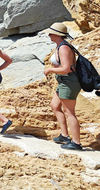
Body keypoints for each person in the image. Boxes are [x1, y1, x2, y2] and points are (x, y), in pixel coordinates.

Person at [42, 22, 82, 150]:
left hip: (69, 81)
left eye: (51, 33)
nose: (48, 35)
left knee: (69, 112)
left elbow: (66, 69)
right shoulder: (60, 46)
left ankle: (76, 143)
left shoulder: (64, 48)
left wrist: (50, 70)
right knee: (55, 106)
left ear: (57, 34)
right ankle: (64, 136)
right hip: (64, 82)